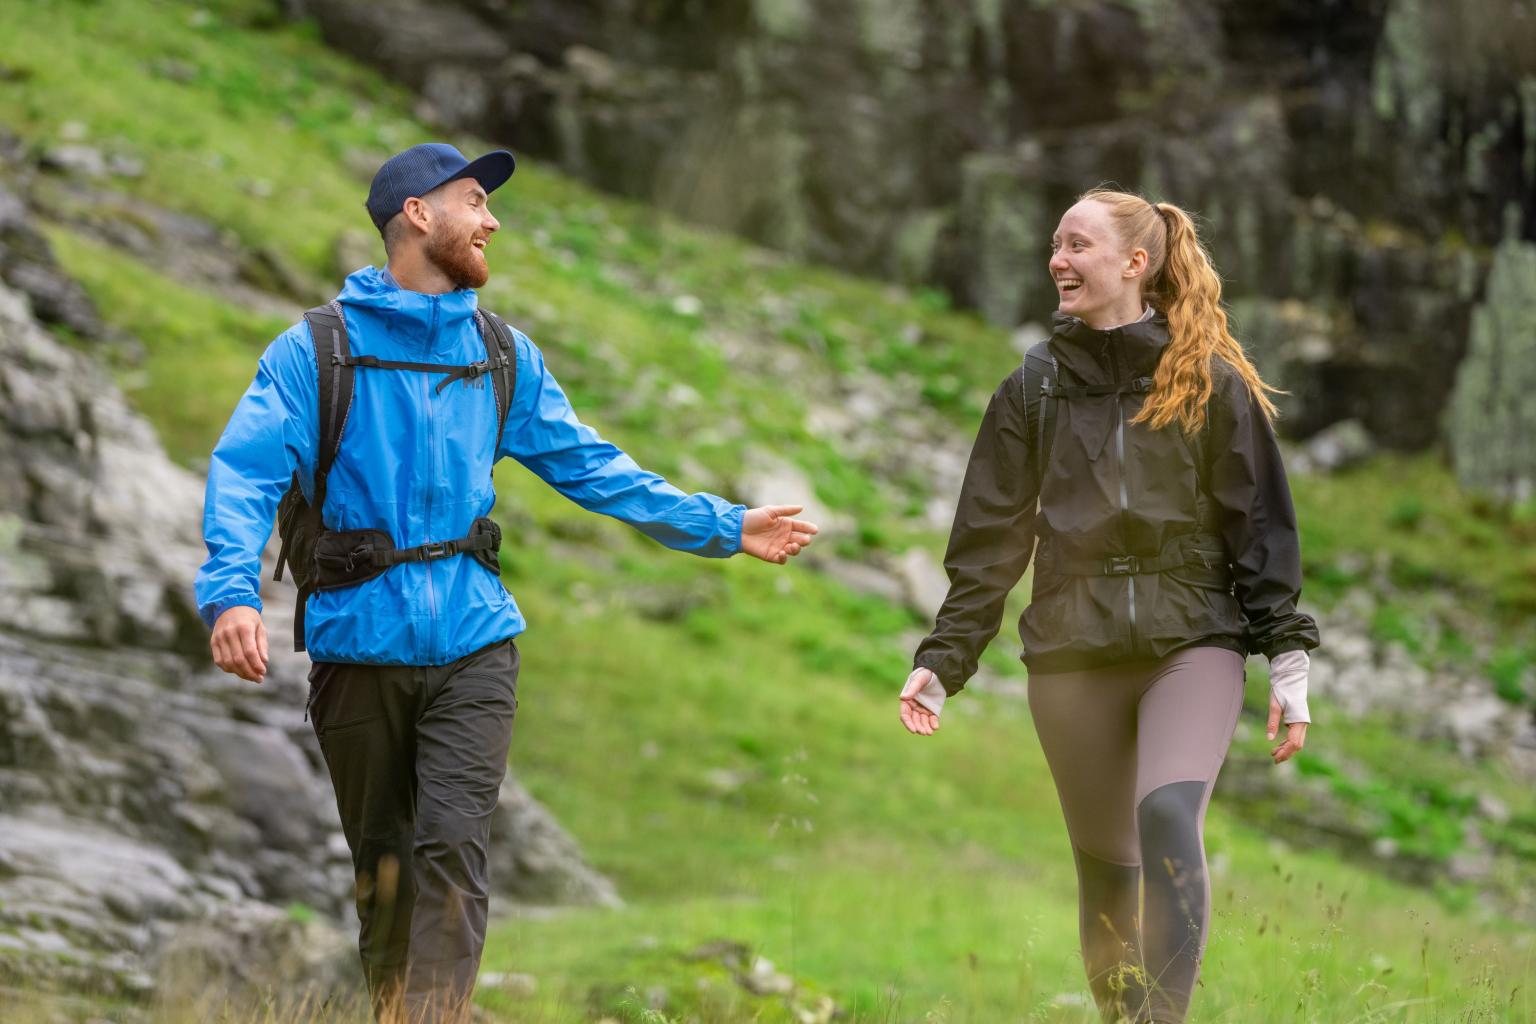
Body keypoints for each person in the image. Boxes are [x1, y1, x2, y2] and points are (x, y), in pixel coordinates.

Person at [194, 142, 819, 1023]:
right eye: (475, 200)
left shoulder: (500, 354)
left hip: (476, 644)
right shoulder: (314, 353)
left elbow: (592, 467)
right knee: (386, 876)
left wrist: (723, 524)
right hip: (354, 645)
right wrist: (231, 593)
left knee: (452, 847)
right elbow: (244, 474)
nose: (491, 221)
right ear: (417, 213)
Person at [898, 187, 1319, 1023]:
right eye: (1055, 244)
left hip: (1192, 640)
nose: (1058, 259)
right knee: (1105, 870)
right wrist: (943, 662)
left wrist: (1289, 657)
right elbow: (990, 543)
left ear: (1135, 262)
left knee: (1167, 812)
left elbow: (1261, 525)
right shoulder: (1034, 388)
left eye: (1077, 244)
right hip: (1070, 650)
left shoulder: (1206, 380)